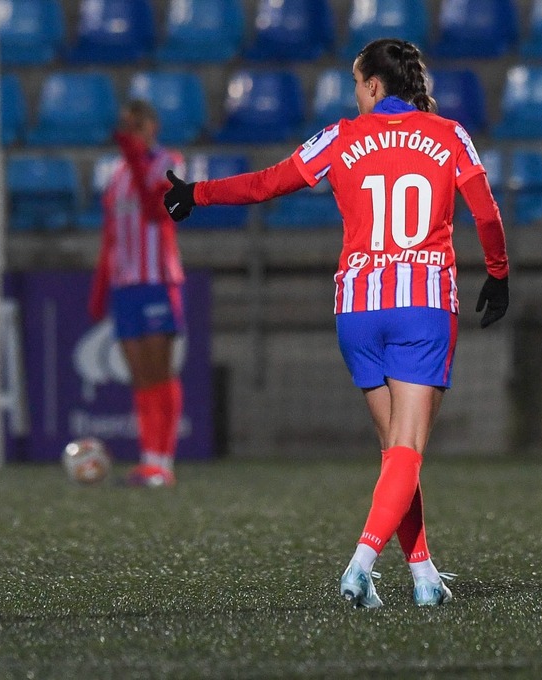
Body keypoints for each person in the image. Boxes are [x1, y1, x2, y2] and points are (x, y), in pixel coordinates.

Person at [164, 38, 509, 607]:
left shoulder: (341, 136)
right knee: (408, 449)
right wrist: (497, 272)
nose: (355, 93)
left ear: (375, 85)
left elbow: (268, 183)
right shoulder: (449, 135)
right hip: (421, 305)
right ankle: (361, 562)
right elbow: (486, 208)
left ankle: (423, 576)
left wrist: (197, 194)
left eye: (356, 83)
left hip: (357, 309)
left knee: (395, 453)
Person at [89, 100, 187, 488]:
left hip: (157, 280)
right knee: (141, 378)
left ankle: (164, 461)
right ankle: (150, 460)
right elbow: (111, 235)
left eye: (135, 124)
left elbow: (157, 212)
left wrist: (135, 158)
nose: (129, 131)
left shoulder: (168, 161)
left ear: (151, 126)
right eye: (124, 125)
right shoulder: (115, 174)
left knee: (161, 373)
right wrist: (101, 287)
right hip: (125, 284)